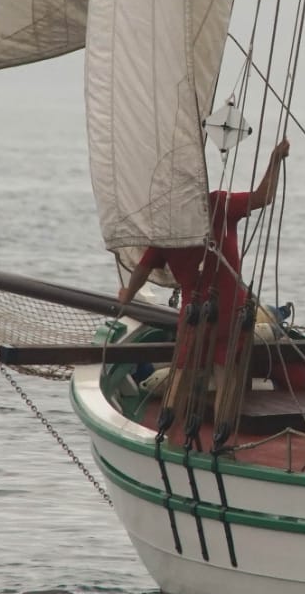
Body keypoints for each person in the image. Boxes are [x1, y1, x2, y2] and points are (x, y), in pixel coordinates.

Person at [116, 140, 289, 424]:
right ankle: (223, 437)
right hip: (231, 312)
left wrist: (127, 295)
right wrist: (275, 159)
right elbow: (264, 197)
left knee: (182, 370)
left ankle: (167, 432)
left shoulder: (167, 227)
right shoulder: (218, 204)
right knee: (225, 376)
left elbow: (142, 269)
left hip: (195, 314)